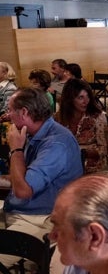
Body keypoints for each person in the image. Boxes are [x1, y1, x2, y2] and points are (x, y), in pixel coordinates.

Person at [2, 87, 82, 242]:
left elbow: (23, 191)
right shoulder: (34, 133)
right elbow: (21, 177)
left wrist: (16, 149)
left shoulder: (56, 143)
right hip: (19, 210)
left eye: (10, 110)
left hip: (39, 219)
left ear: (24, 112)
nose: (8, 115)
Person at [55, 79, 108, 173]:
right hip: (65, 167)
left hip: (92, 169)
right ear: (70, 100)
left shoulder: (97, 117)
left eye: (88, 96)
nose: (86, 101)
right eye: (80, 97)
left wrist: (81, 152)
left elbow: (104, 150)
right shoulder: (58, 118)